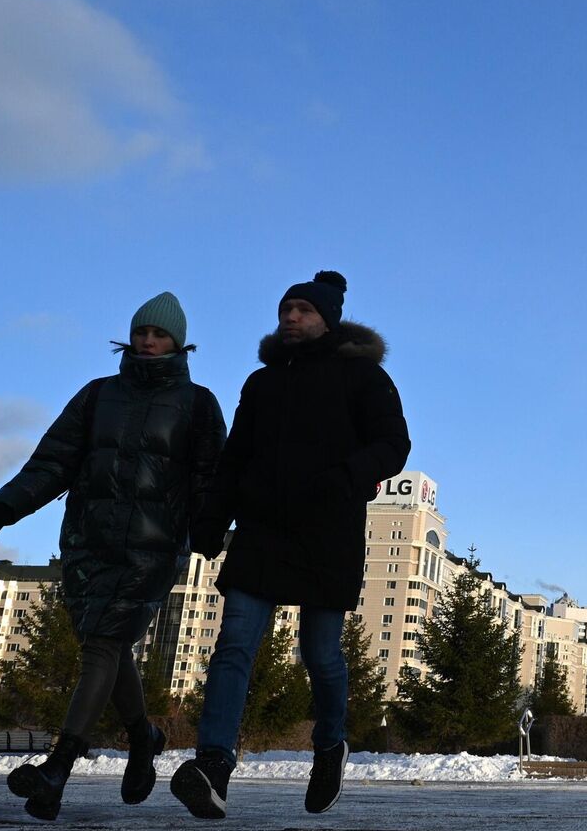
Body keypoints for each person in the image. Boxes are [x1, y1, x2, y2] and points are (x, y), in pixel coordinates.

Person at [0, 292, 225, 822]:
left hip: (152, 549)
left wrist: (209, 531)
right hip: (90, 543)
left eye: (159, 334)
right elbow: (53, 460)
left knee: (104, 645)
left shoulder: (198, 403)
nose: (148, 341)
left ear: (179, 342)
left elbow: (209, 478)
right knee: (106, 648)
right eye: (141, 333)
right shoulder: (97, 395)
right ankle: (143, 736)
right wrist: (5, 506)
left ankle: (59, 766)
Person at [172, 270, 410, 820]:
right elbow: (236, 459)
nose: (291, 319)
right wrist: (212, 518)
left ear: (327, 318)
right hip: (261, 532)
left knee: (321, 654)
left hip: (328, 530)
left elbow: (393, 443)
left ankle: (329, 746)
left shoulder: (363, 376)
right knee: (233, 647)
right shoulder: (262, 383)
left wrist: (345, 478)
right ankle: (213, 764)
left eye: (302, 310)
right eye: (285, 311)